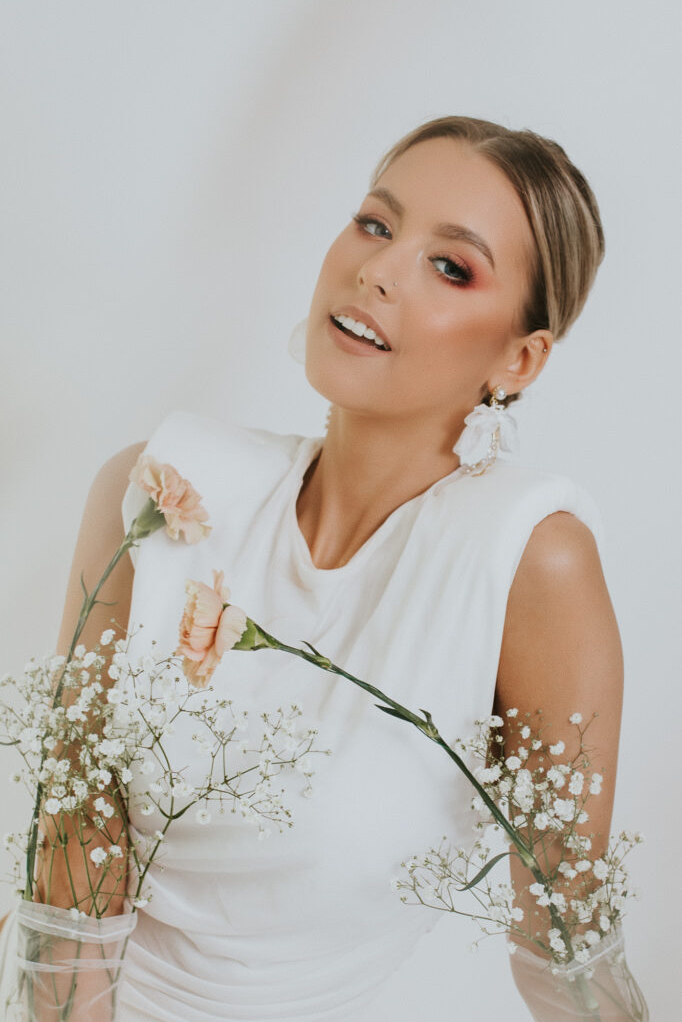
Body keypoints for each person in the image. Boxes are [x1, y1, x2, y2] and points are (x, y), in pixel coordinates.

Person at [1, 116, 640, 1021]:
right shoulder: (164, 487)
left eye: (450, 266)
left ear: (520, 358)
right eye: (376, 224)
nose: (377, 270)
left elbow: (565, 948)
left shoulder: (527, 560)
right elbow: (70, 868)